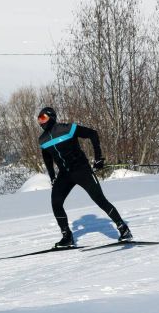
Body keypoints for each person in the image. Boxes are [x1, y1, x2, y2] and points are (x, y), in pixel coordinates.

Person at [37, 106, 132, 248]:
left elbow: (93, 134)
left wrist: (98, 158)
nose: (40, 122)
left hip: (81, 170)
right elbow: (47, 159)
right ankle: (67, 237)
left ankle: (123, 229)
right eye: (39, 119)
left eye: (43, 118)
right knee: (56, 202)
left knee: (100, 199)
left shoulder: (67, 128)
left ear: (51, 118)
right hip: (65, 174)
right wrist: (52, 176)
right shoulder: (42, 139)